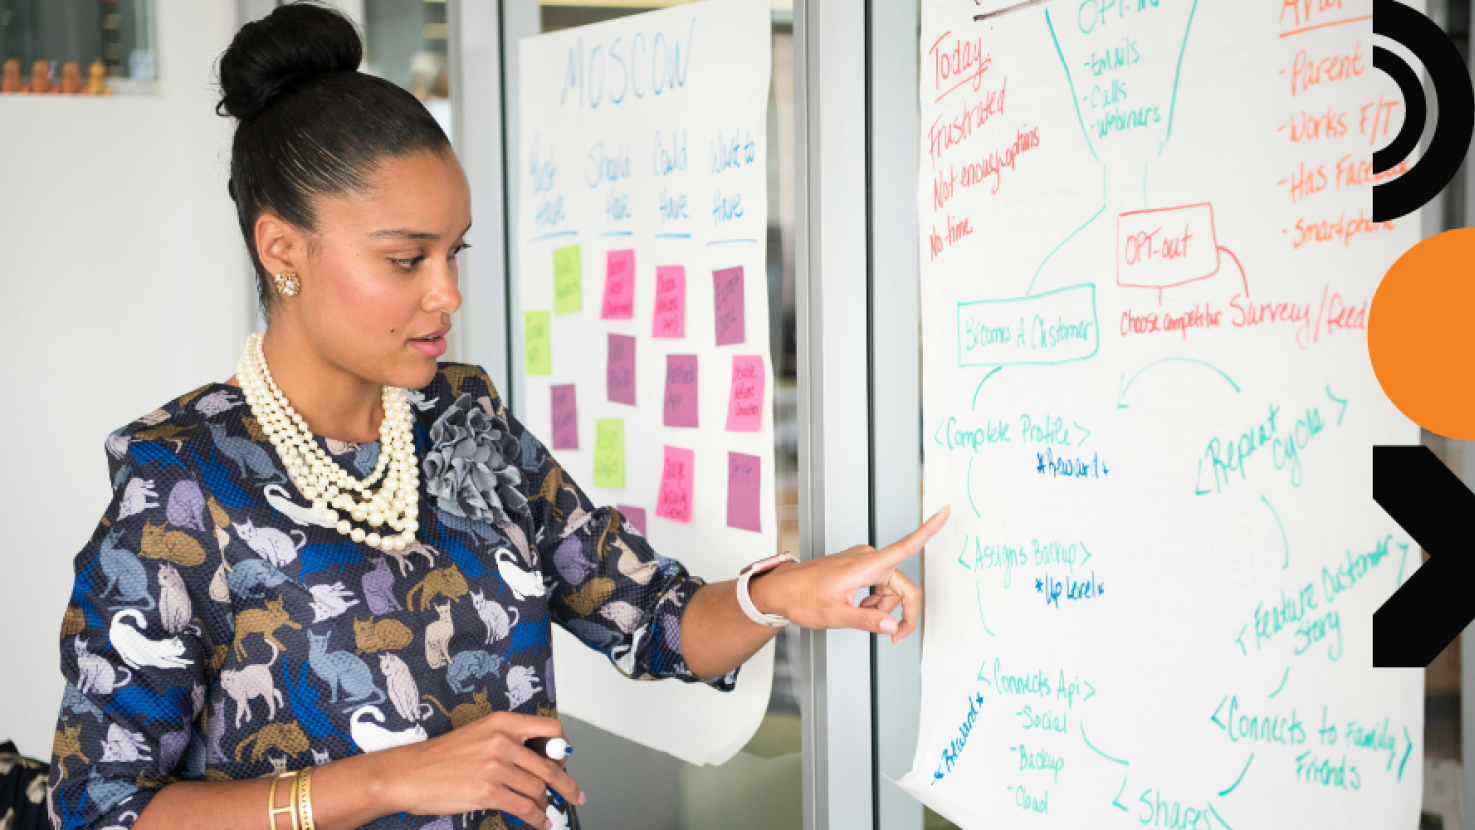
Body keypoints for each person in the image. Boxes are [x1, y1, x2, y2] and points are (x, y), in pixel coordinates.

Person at [45, 4, 948, 829]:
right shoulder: (180, 481)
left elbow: (650, 619)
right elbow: (103, 809)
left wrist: (779, 595)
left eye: (454, 252)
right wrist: (391, 779)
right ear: (282, 248)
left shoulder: (461, 418)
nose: (447, 293)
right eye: (406, 260)